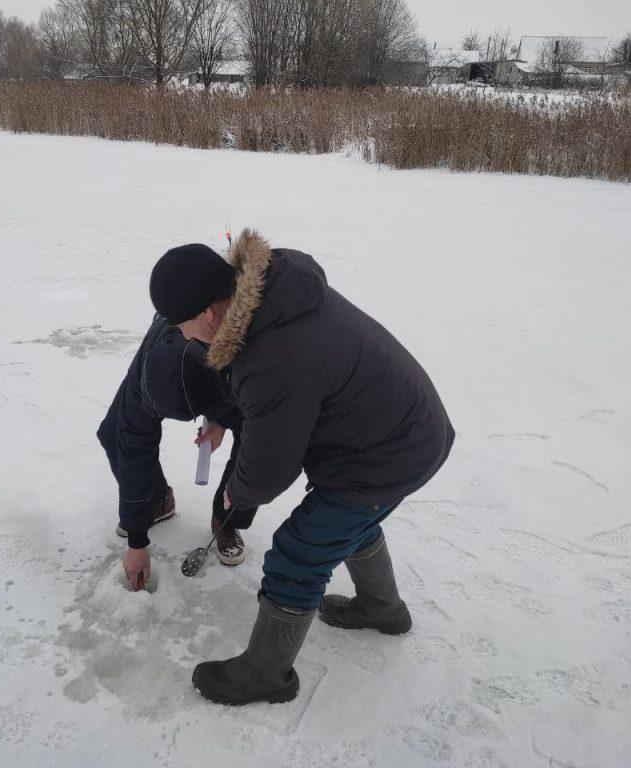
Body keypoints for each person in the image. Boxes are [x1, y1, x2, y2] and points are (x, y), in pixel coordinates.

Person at [148, 231, 455, 705]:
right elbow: (276, 401)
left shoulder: (272, 354)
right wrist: (226, 421)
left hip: (388, 452)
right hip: (405, 431)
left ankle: (265, 675)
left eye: (180, 326)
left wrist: (237, 494)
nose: (182, 336)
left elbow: (272, 465)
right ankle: (382, 609)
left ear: (209, 313)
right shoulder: (275, 295)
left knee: (298, 552)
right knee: (346, 520)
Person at [96, 312, 258, 590]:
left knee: (255, 441)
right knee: (113, 433)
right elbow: (133, 447)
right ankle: (157, 501)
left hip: (228, 357)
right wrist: (137, 540)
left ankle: (227, 519)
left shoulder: (243, 353)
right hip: (169, 353)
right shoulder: (144, 381)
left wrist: (220, 418)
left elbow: (263, 435)